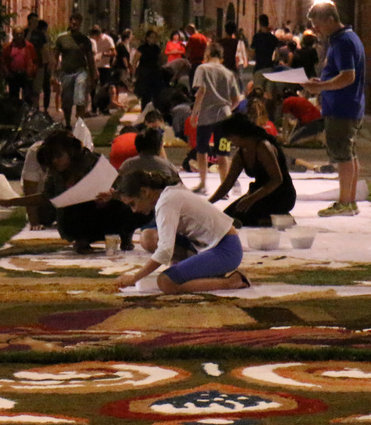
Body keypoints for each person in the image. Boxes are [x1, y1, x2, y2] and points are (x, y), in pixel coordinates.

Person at [115, 168, 249, 293]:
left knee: (166, 282)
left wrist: (134, 277)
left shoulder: (166, 202)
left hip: (226, 250)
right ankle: (203, 270)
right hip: (207, 244)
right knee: (147, 237)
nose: (134, 210)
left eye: (132, 204)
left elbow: (165, 251)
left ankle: (231, 282)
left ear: (144, 192)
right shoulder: (168, 193)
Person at [7, 130, 139, 250]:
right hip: (78, 218)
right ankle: (82, 240)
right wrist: (10, 202)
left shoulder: (93, 161)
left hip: (106, 211)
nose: (55, 161)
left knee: (128, 205)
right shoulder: (55, 173)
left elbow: (121, 188)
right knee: (71, 209)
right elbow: (46, 197)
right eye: (52, 158)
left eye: (59, 156)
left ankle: (125, 237)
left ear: (70, 152)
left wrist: (110, 196)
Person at [302, 0, 367, 217]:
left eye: (317, 23)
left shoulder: (343, 42)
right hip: (346, 105)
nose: (315, 29)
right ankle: (350, 201)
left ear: (330, 19)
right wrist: (321, 82)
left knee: (342, 155)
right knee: (348, 153)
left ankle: (345, 202)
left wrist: (320, 86)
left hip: (342, 107)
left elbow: (348, 76)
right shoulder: (346, 38)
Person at [209, 113, 295, 227]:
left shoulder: (263, 147)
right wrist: (208, 203)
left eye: (229, 137)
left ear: (238, 134)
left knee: (247, 219)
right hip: (259, 193)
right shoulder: (241, 154)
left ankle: (280, 219)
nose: (229, 141)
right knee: (229, 217)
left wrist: (250, 199)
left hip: (280, 194)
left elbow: (277, 180)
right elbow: (227, 183)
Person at [191, 41, 244, 194]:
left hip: (206, 116)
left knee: (202, 150)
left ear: (207, 54)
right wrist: (227, 109)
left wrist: (195, 114)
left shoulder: (202, 69)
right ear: (221, 57)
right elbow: (236, 99)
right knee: (223, 153)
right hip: (224, 117)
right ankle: (224, 188)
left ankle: (202, 184)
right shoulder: (228, 73)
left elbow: (201, 92)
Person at [54, 13, 95, 124]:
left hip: (80, 71)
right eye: (73, 23)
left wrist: (93, 73)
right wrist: (54, 74)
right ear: (70, 23)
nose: (75, 25)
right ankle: (67, 122)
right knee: (66, 99)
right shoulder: (62, 39)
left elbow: (90, 58)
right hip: (66, 72)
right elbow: (55, 56)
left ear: (80, 24)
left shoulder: (85, 40)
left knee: (80, 98)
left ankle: (79, 123)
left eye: (77, 23)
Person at [134, 28, 168, 109]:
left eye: (154, 37)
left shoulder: (156, 48)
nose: (153, 39)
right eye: (151, 37)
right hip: (144, 72)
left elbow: (161, 60)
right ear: (147, 38)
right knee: (145, 95)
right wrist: (134, 73)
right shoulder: (142, 48)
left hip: (155, 72)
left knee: (156, 93)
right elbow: (135, 61)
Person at [2, 29, 35, 103]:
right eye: (17, 34)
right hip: (13, 74)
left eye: (21, 34)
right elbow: (3, 61)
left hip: (25, 74)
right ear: (13, 35)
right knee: (13, 98)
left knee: (28, 97)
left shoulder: (29, 46)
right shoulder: (8, 47)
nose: (19, 36)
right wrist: (7, 73)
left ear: (23, 35)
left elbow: (35, 60)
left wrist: (32, 72)